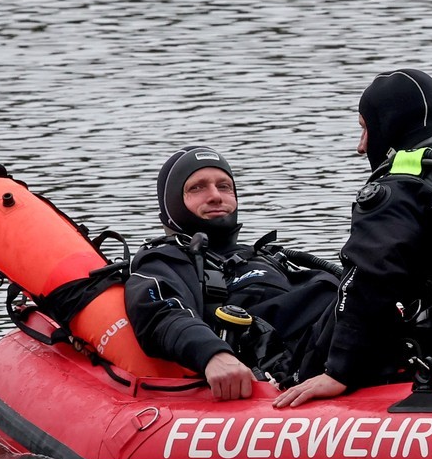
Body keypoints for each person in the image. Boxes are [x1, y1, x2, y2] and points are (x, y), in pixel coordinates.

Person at [274, 69, 432, 409]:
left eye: (366, 129)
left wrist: (339, 371)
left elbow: (369, 280)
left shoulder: (399, 187)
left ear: (389, 124)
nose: (362, 146)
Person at [124, 146, 340, 399]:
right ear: (172, 202)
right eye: (197, 187)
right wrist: (213, 354)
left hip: (342, 335)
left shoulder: (263, 255)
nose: (215, 196)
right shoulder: (165, 261)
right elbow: (162, 312)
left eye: (224, 186)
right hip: (291, 361)